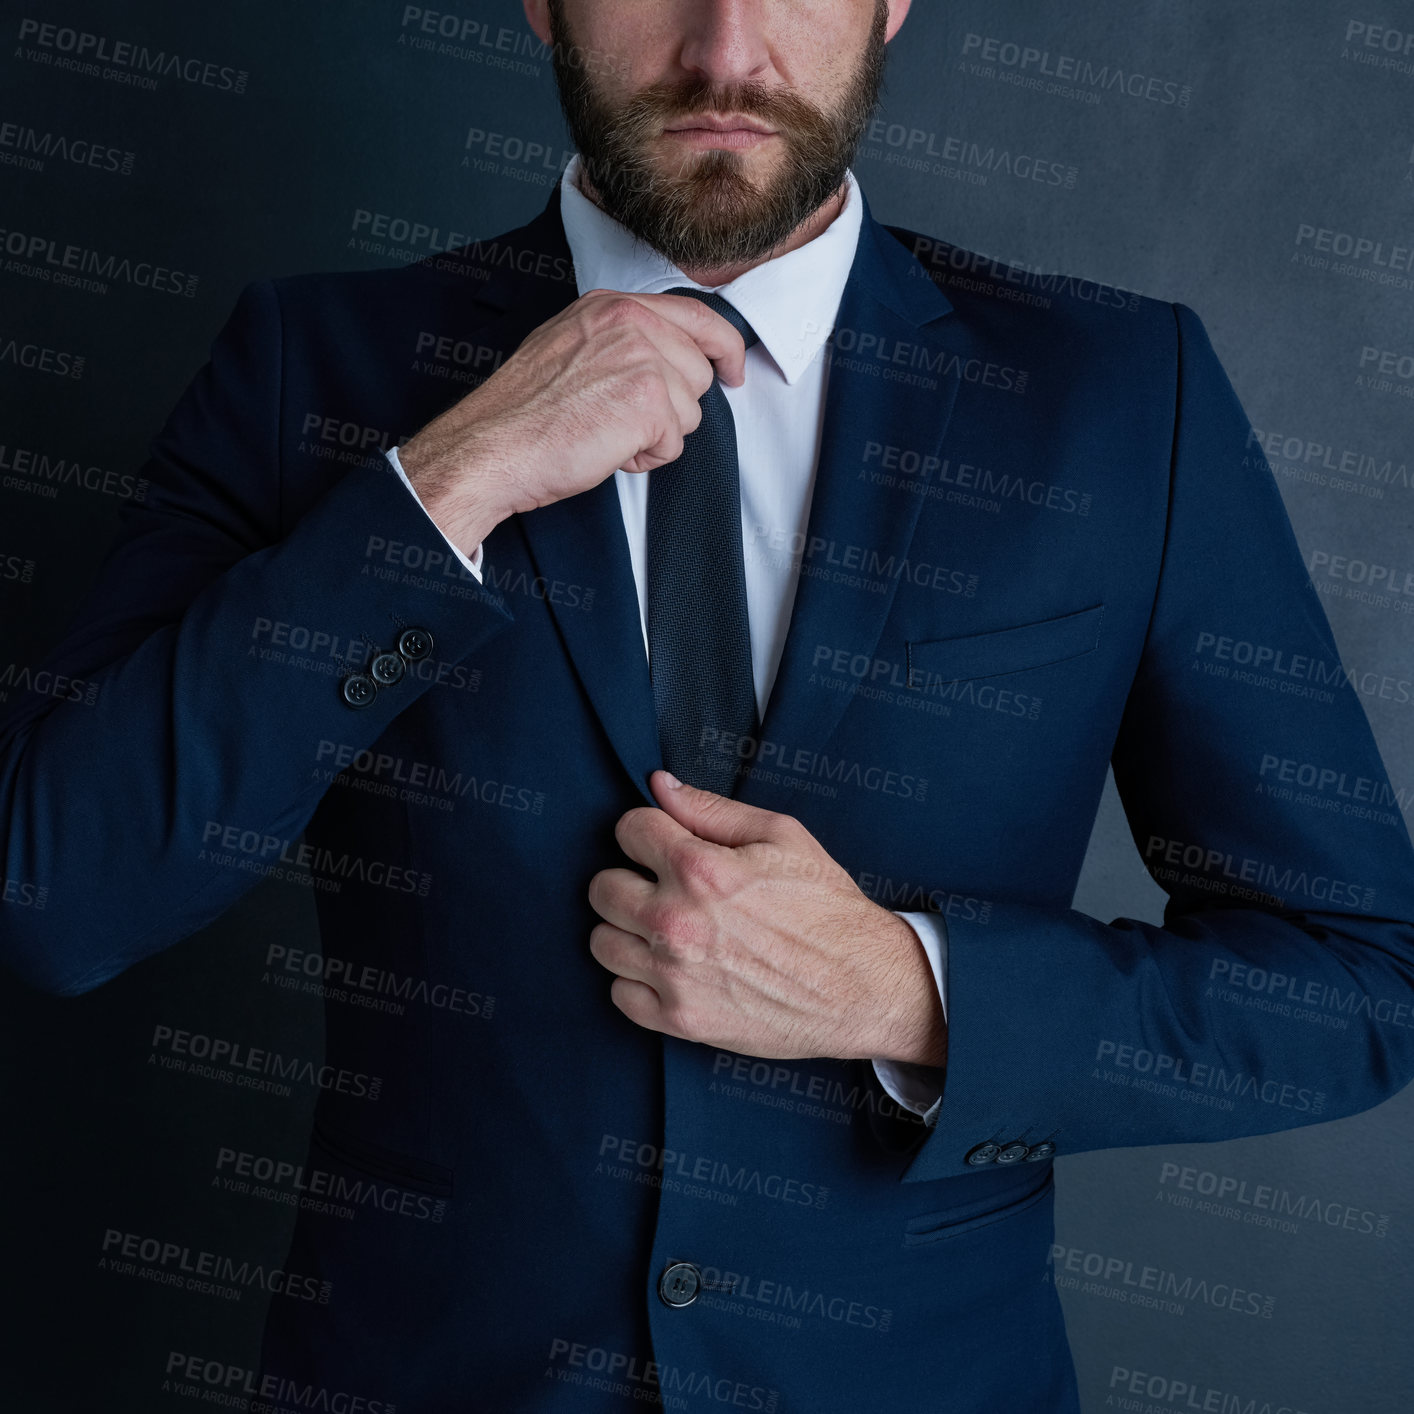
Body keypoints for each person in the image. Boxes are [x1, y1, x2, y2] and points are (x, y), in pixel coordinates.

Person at [3, 0, 1412, 1409]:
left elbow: (1359, 982)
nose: (727, 51)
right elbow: (58, 891)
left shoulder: (1117, 397)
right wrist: (448, 483)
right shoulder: (309, 370)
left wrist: (909, 990)